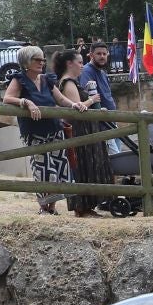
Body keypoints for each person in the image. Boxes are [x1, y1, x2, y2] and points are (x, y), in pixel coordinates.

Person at [1, 47, 68, 215]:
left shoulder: (47, 79)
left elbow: (60, 99)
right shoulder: (19, 79)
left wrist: (76, 104)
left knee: (59, 169)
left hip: (55, 130)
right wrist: (26, 102)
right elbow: (7, 98)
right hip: (34, 133)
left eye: (43, 59)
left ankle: (52, 208)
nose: (41, 63)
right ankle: (43, 207)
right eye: (37, 60)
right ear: (26, 62)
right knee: (44, 171)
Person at [51, 49, 108, 217]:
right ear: (69, 63)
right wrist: (92, 100)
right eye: (80, 62)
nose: (82, 66)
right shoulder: (68, 82)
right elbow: (78, 108)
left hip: (83, 130)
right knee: (83, 167)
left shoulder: (69, 82)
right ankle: (82, 208)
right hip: (80, 132)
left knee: (86, 167)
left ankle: (87, 207)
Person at [77, 42, 117, 114]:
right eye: (99, 54)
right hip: (99, 118)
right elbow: (85, 97)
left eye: (104, 54)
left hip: (111, 118)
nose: (102, 56)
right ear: (91, 55)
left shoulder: (103, 72)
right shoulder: (86, 72)